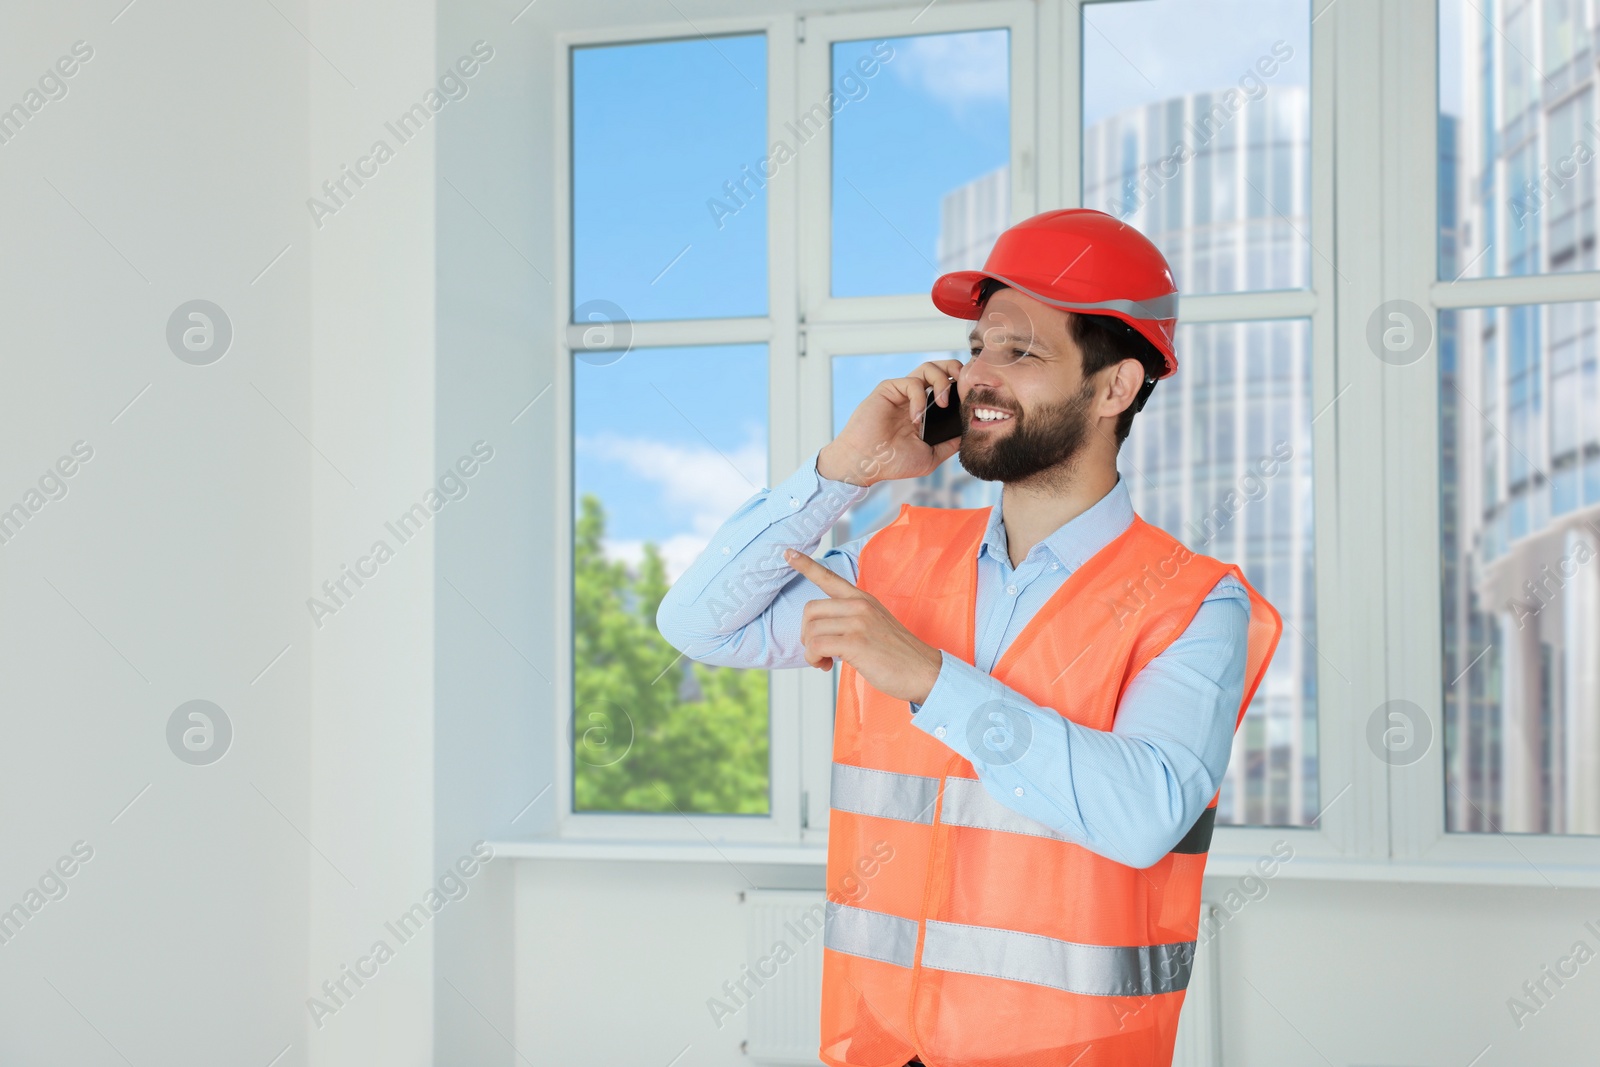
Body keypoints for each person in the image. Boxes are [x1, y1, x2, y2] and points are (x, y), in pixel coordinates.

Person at [655, 209, 1282, 1067]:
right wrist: (846, 469)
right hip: (881, 1046)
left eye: (1021, 352)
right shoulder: (896, 558)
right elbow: (696, 621)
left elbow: (1143, 817)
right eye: (979, 346)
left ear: (1114, 388)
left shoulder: (1191, 603)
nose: (979, 374)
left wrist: (927, 676)